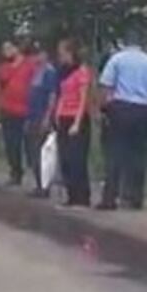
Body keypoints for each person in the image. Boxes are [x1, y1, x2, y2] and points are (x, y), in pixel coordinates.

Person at [97, 31, 147, 210]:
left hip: (120, 108)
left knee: (115, 154)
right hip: (143, 111)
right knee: (138, 156)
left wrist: (103, 109)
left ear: (125, 43)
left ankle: (110, 198)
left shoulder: (117, 60)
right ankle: (135, 198)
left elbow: (106, 86)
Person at [54, 38, 92, 207]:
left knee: (77, 158)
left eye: (62, 53)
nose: (60, 56)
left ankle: (82, 196)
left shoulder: (82, 71)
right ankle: (71, 195)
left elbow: (83, 98)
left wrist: (77, 122)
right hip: (63, 115)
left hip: (77, 117)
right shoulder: (63, 71)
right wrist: (57, 113)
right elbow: (62, 94)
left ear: (70, 53)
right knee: (65, 158)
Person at [0, 40, 36, 186]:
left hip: (26, 109)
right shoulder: (2, 68)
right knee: (11, 142)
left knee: (29, 142)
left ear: (17, 48)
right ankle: (15, 172)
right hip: (7, 108)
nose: (6, 51)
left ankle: (34, 169)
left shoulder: (30, 65)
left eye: (9, 48)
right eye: (4, 48)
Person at [24, 43, 59, 197]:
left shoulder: (49, 73)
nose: (35, 57)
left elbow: (52, 96)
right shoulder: (36, 72)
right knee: (33, 151)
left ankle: (44, 186)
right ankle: (39, 183)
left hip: (42, 116)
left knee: (41, 152)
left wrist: (47, 117)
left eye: (38, 54)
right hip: (32, 115)